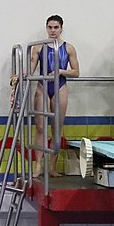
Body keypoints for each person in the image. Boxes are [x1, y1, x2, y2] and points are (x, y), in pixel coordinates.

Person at [30, 15, 80, 177]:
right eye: (50, 27)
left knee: (56, 129)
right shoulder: (38, 48)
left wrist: (61, 71)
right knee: (40, 127)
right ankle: (38, 165)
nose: (53, 31)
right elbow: (30, 69)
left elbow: (76, 72)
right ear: (46, 28)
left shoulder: (69, 48)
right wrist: (21, 75)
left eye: (56, 27)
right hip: (42, 86)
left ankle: (52, 167)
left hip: (60, 86)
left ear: (61, 29)